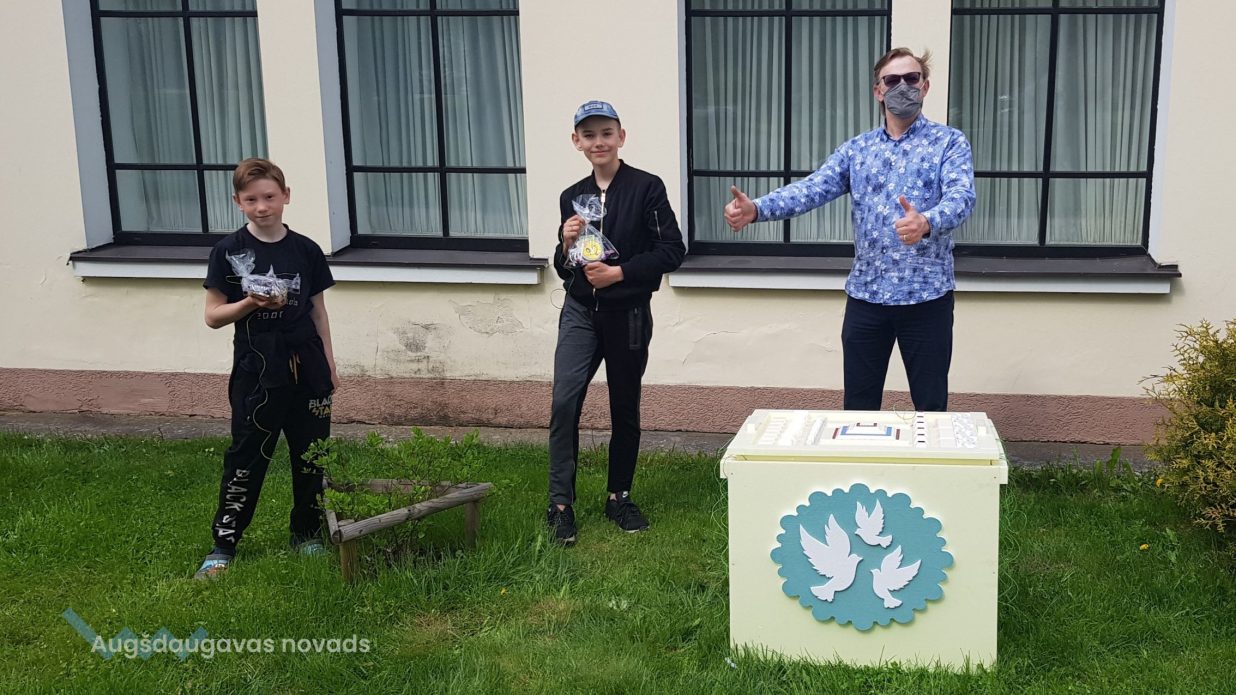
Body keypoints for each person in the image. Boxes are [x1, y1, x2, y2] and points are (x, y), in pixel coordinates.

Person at [725, 48, 976, 412]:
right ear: (878, 90)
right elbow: (812, 188)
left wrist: (927, 222)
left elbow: (961, 196)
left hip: (926, 298)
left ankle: (927, 452)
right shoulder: (857, 150)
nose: (902, 87)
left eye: (911, 79)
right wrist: (757, 209)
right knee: (859, 407)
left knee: (931, 407)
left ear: (925, 86)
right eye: (892, 80)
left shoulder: (949, 142)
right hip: (867, 298)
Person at [546, 100, 686, 545]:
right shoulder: (572, 195)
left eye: (606, 133)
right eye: (589, 135)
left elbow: (672, 251)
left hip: (628, 314)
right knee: (564, 402)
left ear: (621, 137)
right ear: (577, 142)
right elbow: (566, 267)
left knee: (624, 405)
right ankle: (560, 504)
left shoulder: (647, 188)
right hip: (580, 313)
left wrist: (619, 274)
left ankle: (618, 497)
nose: (599, 142)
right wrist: (564, 243)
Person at [194, 157, 340, 579]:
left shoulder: (306, 250)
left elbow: (318, 312)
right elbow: (213, 317)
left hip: (307, 365)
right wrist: (250, 302)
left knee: (311, 454)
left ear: (286, 196)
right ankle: (224, 544)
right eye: (251, 199)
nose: (262, 207)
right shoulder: (227, 251)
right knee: (247, 453)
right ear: (238, 202)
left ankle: (307, 534)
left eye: (270, 197)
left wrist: (330, 366)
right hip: (257, 368)